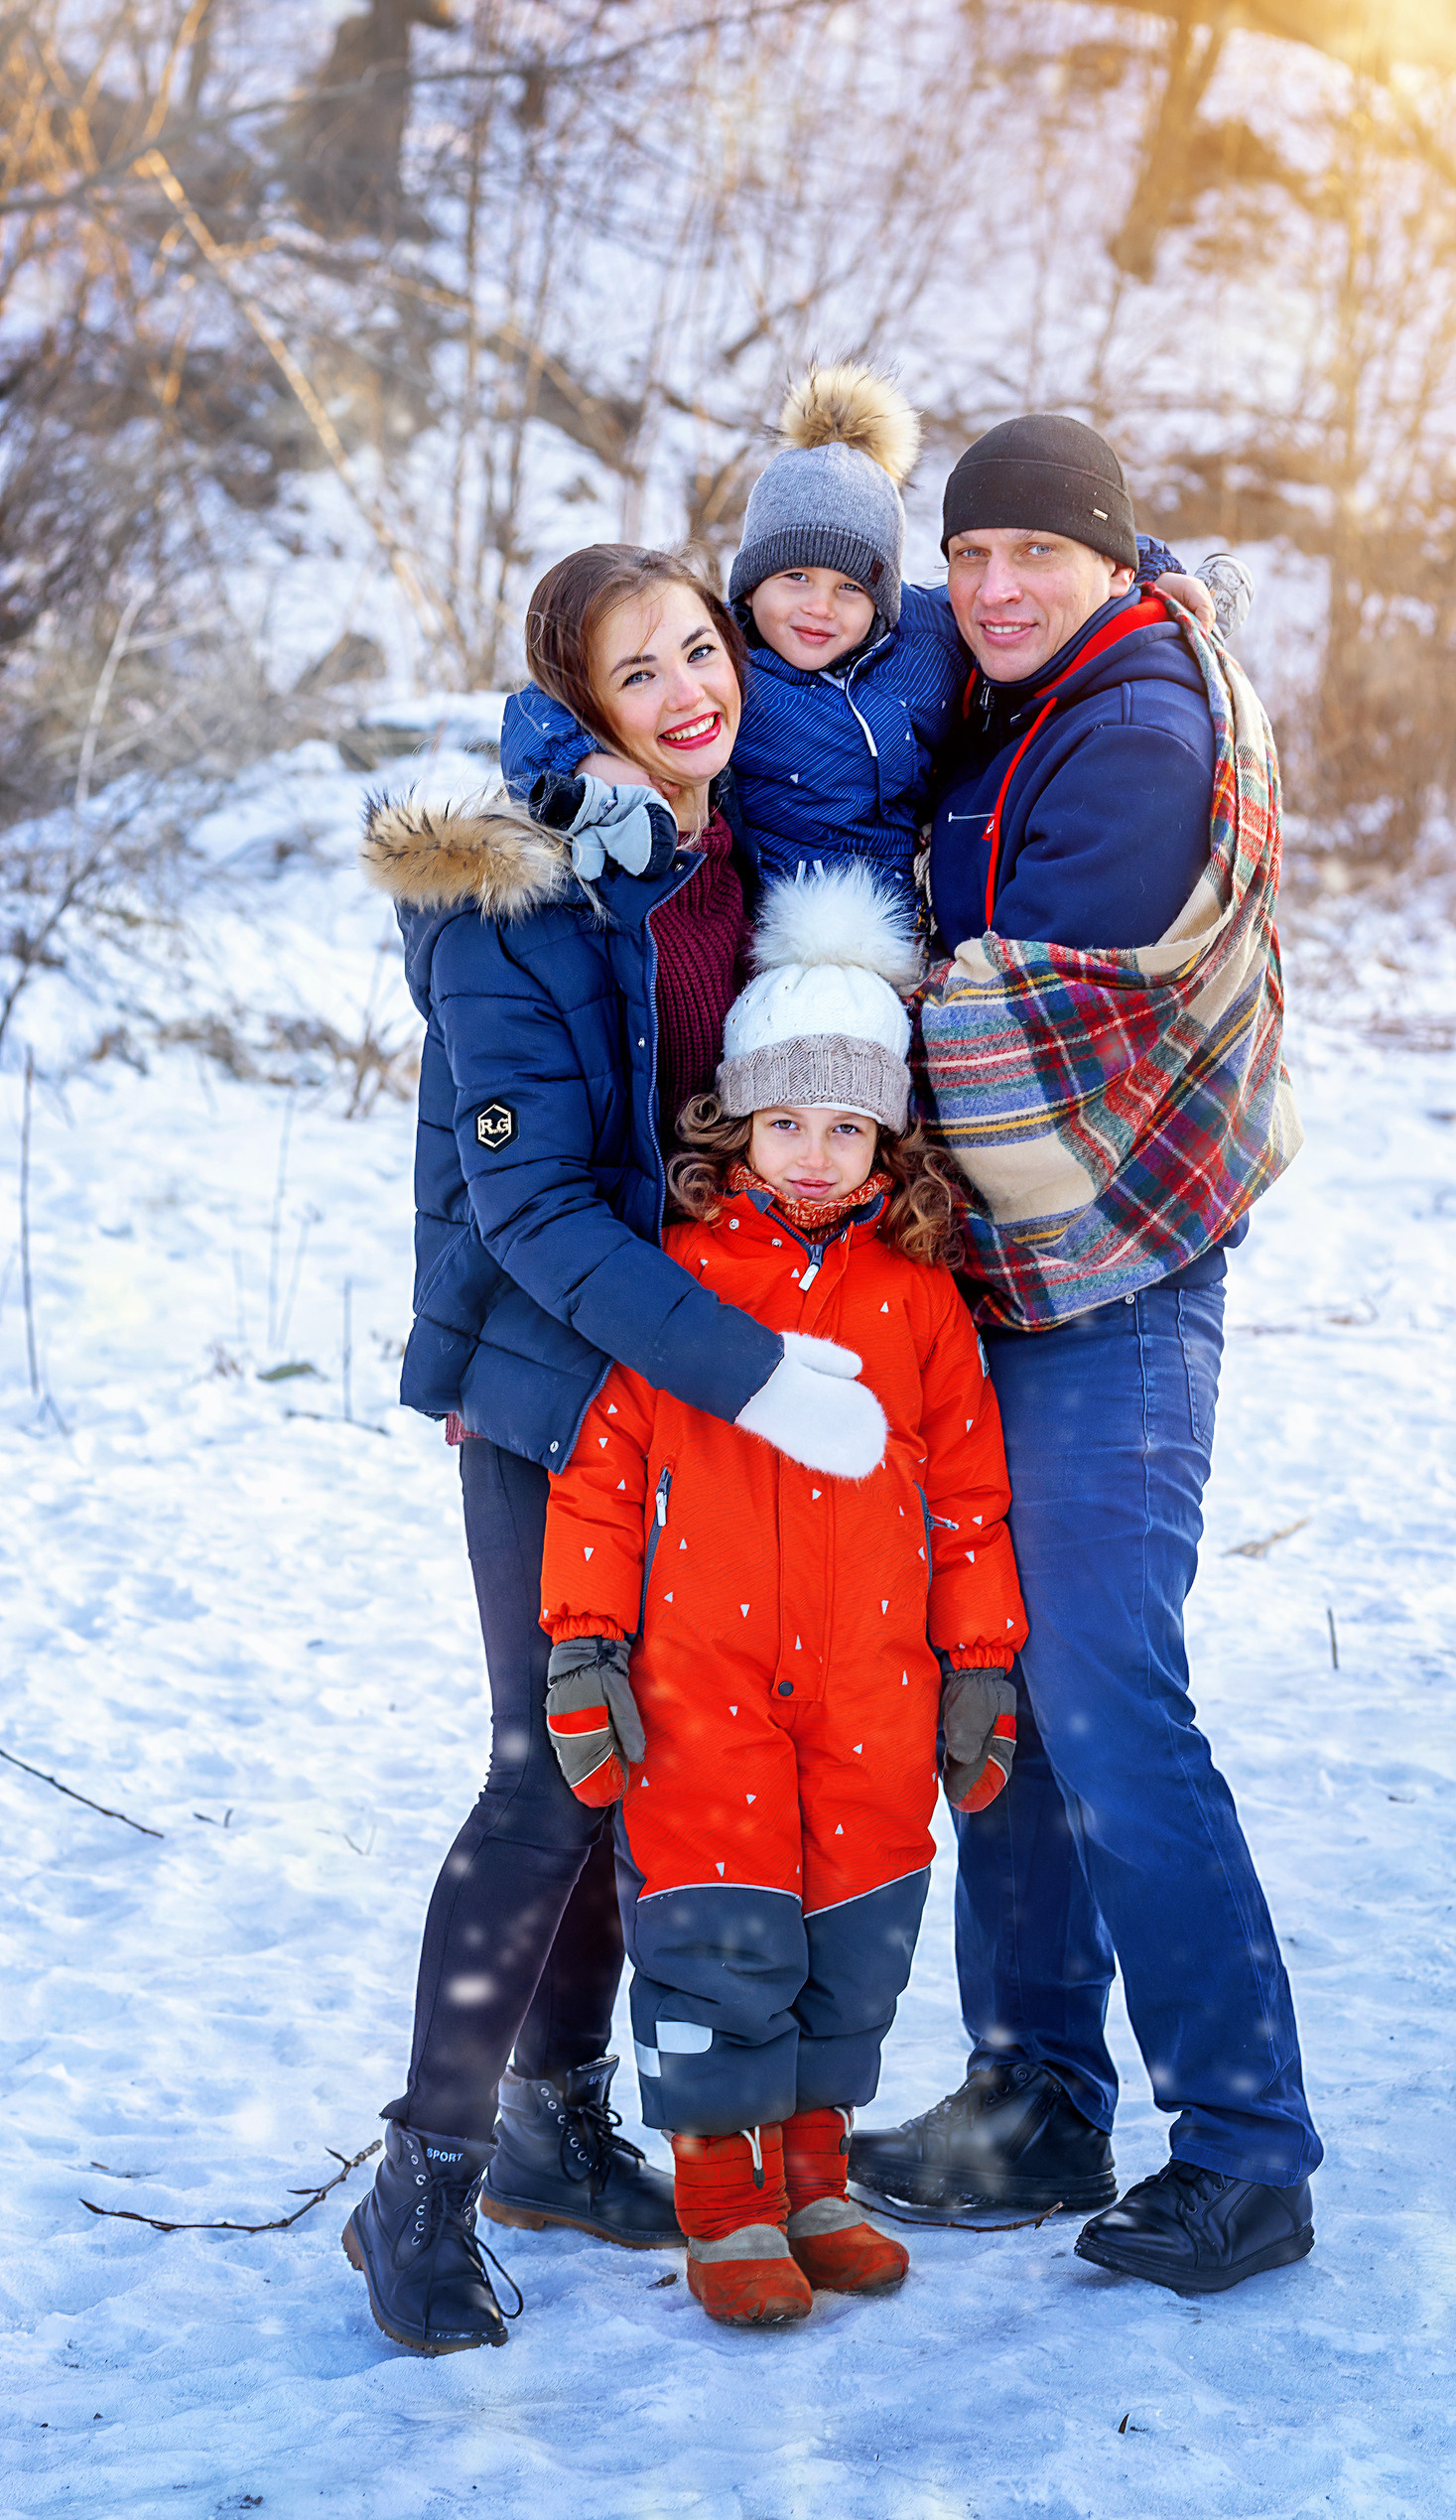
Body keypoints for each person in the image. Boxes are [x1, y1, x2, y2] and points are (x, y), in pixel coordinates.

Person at [348, 547, 892, 2357]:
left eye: (697, 648)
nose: (685, 690)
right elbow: (532, 1214)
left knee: (630, 1767)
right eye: (633, 673)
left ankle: (551, 2125)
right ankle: (416, 2181)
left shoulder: (727, 850)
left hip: (685, 1391)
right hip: (548, 1382)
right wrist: (750, 1370)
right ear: (576, 710)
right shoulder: (512, 896)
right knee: (547, 1772)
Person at [846, 414, 1323, 2299]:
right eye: (965, 559)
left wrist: (825, 1001)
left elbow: (1018, 1021)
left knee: (1107, 1690)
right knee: (1006, 1685)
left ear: (1113, 562)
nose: (990, 589)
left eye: (1032, 555)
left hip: (1113, 1276)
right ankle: (1038, 2091)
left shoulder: (1128, 729)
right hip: (1003, 1279)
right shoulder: (1011, 689)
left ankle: (1247, 2151)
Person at [536, 863, 1028, 2327]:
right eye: (786, 1120)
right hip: (703, 1682)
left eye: (846, 1123)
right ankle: (721, 2196)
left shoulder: (922, 1303)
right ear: (737, 1120)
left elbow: (968, 1501)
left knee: (853, 1931)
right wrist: (583, 1649)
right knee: (715, 1931)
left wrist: (981, 1664)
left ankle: (811, 2174)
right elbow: (602, 1476)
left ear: (886, 1133)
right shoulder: (678, 1288)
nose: (814, 1154)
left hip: (877, 1690)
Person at [498, 364, 1241, 905]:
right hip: (776, 926)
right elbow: (549, 703)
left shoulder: (930, 636)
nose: (819, 609)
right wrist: (589, 766)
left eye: (850, 587)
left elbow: (1056, 556)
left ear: (883, 596)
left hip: (904, 923)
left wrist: (1151, 573)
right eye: (793, 580)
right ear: (749, 585)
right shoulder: (724, 667)